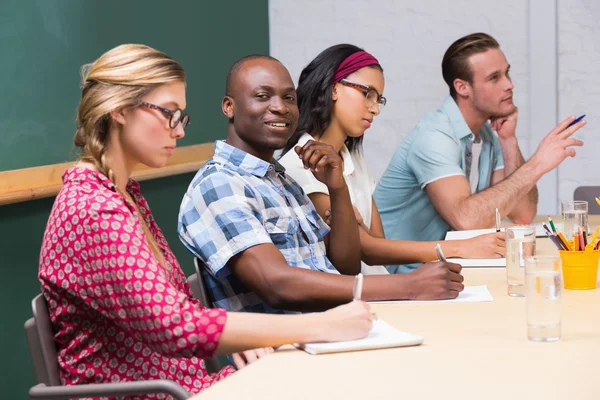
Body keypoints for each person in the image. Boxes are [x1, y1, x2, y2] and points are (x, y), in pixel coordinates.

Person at [38, 44, 375, 397]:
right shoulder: (95, 208)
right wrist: (317, 326)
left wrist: (243, 335)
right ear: (120, 110)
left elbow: (170, 306)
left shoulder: (123, 193)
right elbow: (174, 326)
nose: (179, 132)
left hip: (188, 386)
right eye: (168, 113)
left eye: (180, 117)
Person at [177, 54, 464, 315]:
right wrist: (407, 286)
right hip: (287, 351)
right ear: (229, 107)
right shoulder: (219, 183)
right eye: (263, 96)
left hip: (335, 328)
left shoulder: (285, 184)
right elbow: (277, 285)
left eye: (289, 98)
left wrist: (337, 188)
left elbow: (344, 268)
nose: (280, 107)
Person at [279, 44, 505, 276]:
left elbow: (377, 241)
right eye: (368, 94)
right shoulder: (302, 164)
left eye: (379, 100)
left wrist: (355, 225)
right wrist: (463, 247)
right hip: (359, 298)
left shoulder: (350, 156)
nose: (375, 109)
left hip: (380, 284)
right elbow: (369, 251)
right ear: (334, 88)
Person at [373, 32, 585, 273]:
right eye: (495, 77)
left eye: (507, 72)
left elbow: (522, 214)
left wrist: (507, 140)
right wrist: (537, 164)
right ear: (462, 87)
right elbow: (467, 220)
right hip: (395, 276)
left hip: (441, 268)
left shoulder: (485, 135)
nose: (509, 84)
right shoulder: (433, 137)